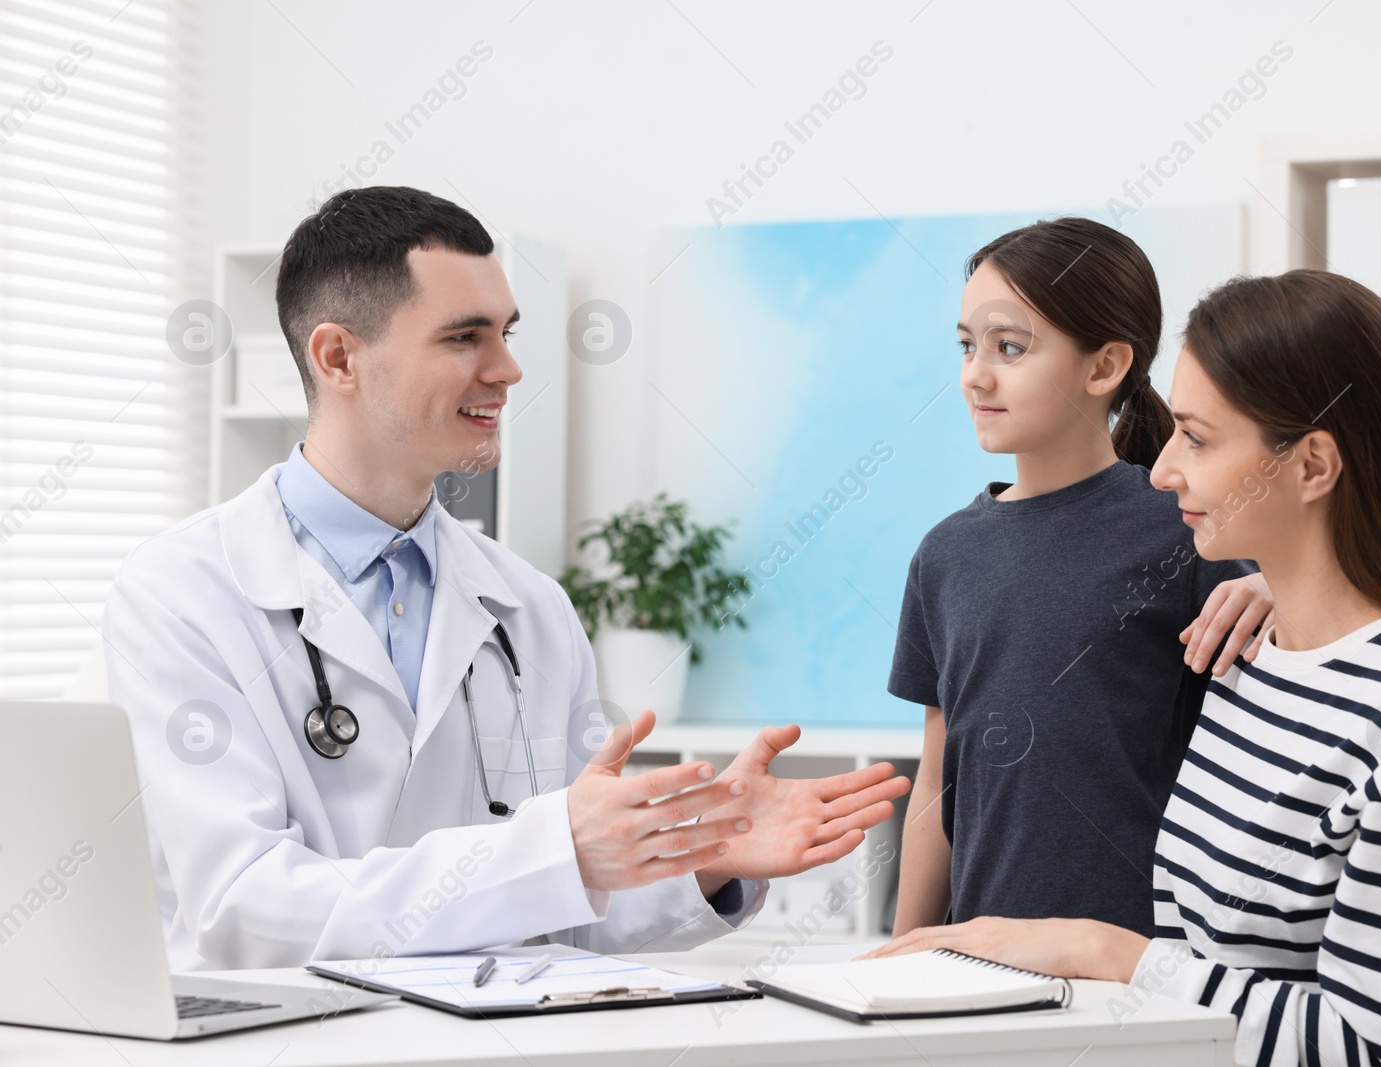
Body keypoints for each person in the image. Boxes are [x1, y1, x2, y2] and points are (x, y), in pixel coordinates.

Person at [102, 186, 909, 971]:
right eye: (465, 338)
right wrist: (550, 849)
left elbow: (571, 904)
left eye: (507, 333)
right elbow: (242, 908)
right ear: (339, 356)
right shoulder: (181, 593)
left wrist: (705, 857)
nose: (509, 369)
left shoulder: (530, 607)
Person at [871, 269, 1381, 1067]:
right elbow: (1211, 968)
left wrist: (1107, 952)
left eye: (1198, 438)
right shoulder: (1255, 665)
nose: (1165, 468)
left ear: (1313, 466)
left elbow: (1373, 1053)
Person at [886, 218, 1272, 942]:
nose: (976, 372)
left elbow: (1302, 693)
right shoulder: (943, 556)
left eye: (1009, 347)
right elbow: (937, 786)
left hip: (1143, 969)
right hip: (977, 967)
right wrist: (902, 953)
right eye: (967, 345)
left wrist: (1275, 588)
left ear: (1104, 368)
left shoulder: (1189, 529)